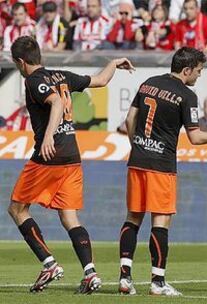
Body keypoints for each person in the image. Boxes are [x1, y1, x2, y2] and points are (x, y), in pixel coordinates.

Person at [8, 36, 134, 293]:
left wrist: (47, 137)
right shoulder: (61, 75)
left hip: (49, 156)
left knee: (17, 209)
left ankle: (49, 263)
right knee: (69, 216)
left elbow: (54, 102)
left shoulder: (33, 81)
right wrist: (113, 63)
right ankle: (90, 273)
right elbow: (99, 81)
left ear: (21, 62)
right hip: (72, 156)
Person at [118, 47, 207, 296]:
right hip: (162, 165)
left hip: (138, 160)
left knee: (133, 218)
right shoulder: (186, 94)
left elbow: (130, 120)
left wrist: (138, 146)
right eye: (199, 70)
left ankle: (125, 278)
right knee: (160, 221)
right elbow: (195, 137)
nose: (199, 75)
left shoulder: (148, 83)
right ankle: (158, 282)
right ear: (187, 69)